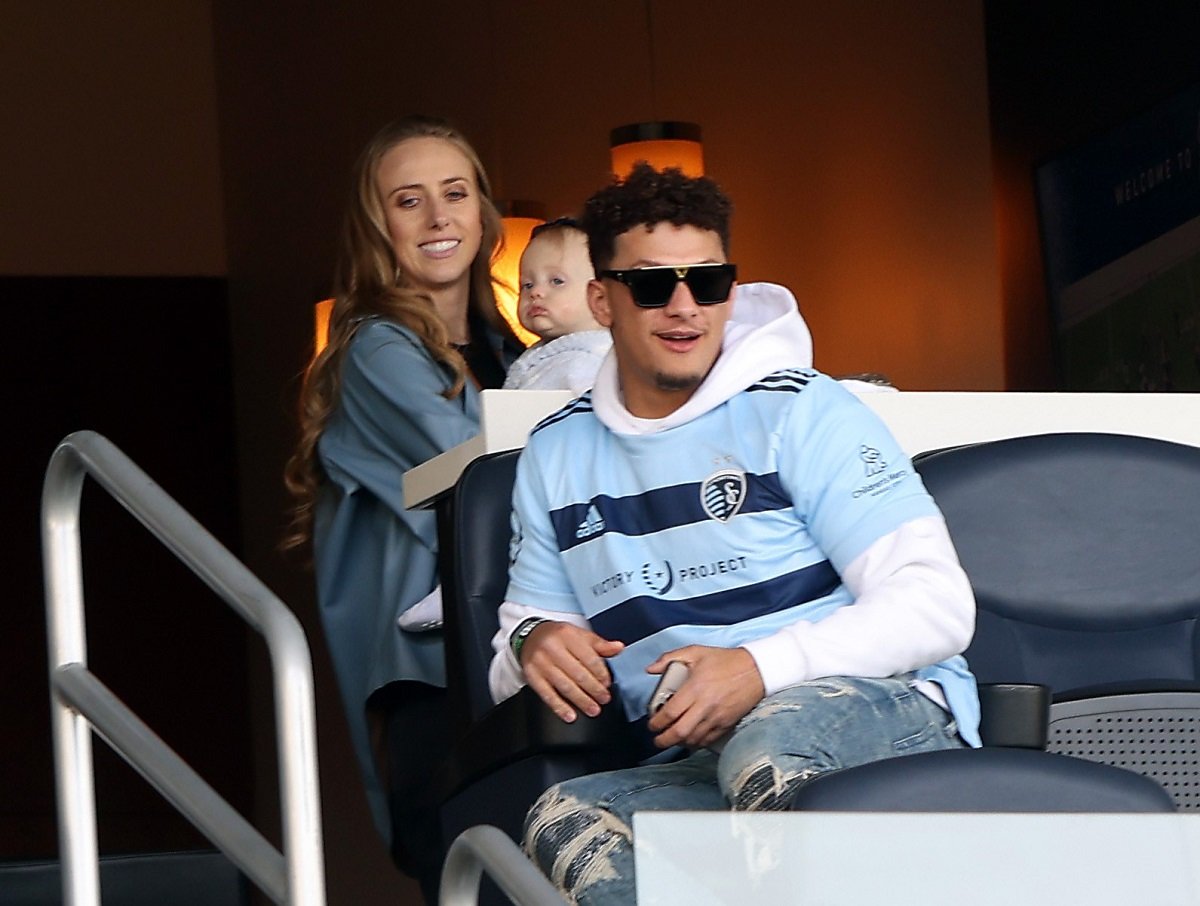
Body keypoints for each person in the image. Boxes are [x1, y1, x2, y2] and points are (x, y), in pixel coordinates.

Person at [487, 163, 980, 904]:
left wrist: (756, 667)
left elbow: (938, 606)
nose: (685, 308)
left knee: (766, 744)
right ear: (603, 299)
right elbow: (515, 647)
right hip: (704, 760)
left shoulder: (803, 410)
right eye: (653, 285)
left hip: (880, 714)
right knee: (569, 820)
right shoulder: (555, 454)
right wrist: (534, 644)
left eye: (709, 282)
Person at [284, 115, 521, 902]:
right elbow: (491, 471)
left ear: (484, 212)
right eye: (408, 200)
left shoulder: (510, 351)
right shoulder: (377, 347)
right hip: (432, 678)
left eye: (454, 193)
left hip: (514, 657)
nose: (438, 217)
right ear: (376, 225)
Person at [502, 217, 612, 395]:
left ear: (600, 298)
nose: (535, 292)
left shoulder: (590, 364)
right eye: (527, 284)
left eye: (556, 281)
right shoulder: (544, 356)